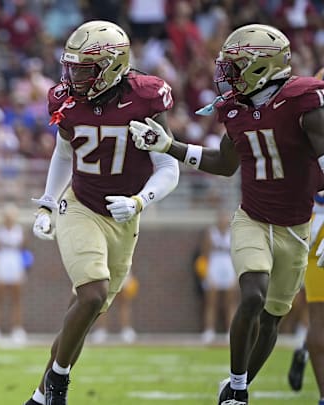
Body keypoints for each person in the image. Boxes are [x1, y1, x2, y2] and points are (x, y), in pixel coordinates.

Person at [129, 24, 324, 405]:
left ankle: (238, 384)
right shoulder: (235, 109)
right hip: (252, 217)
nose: (227, 76)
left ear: (262, 66)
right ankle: (237, 388)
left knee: (273, 316)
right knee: (252, 295)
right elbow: (224, 163)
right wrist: (171, 146)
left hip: (297, 227)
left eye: (236, 67)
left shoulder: (306, 103)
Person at [23, 20, 180, 405]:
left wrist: (140, 201)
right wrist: (47, 200)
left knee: (86, 309)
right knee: (91, 295)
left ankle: (40, 398)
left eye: (84, 68)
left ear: (112, 66)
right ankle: (58, 380)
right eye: (71, 66)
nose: (73, 76)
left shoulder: (145, 98)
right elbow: (64, 153)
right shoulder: (65, 99)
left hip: (125, 217)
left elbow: (168, 166)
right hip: (80, 206)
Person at [289, 191, 324, 403]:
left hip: (312, 229)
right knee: (318, 321)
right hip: (316, 230)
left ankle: (304, 349)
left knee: (318, 321)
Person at [0, 203, 28, 343]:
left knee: (16, 299)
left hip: (15, 262)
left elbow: (25, 249)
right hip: (1, 262)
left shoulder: (21, 230)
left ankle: (17, 329)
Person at [200, 209, 237, 344]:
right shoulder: (210, 233)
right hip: (213, 268)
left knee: (230, 302)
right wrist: (207, 276)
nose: (223, 221)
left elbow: (237, 255)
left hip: (229, 268)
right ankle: (209, 331)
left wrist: (236, 277)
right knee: (211, 302)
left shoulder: (233, 234)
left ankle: (230, 331)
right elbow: (204, 256)